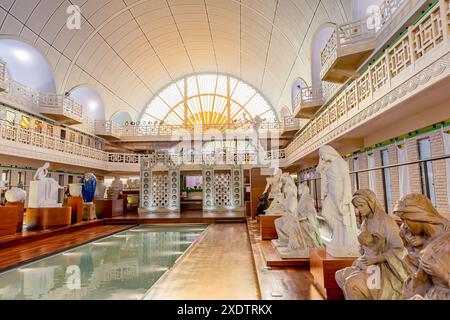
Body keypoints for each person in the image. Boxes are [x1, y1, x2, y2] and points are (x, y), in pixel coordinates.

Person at [335, 189, 410, 299]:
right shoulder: (366, 221)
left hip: (384, 270)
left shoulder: (386, 221)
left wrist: (377, 259)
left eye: (361, 205)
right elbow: (364, 248)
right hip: (368, 263)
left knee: (351, 282)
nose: (359, 210)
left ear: (371, 203)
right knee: (339, 275)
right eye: (357, 207)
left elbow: (400, 249)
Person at [317, 145, 359, 257]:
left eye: (322, 154)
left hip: (340, 195)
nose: (322, 157)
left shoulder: (340, 162)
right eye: (320, 156)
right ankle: (337, 238)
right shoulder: (329, 165)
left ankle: (346, 242)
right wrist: (321, 161)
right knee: (326, 214)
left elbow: (346, 180)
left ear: (329, 152)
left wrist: (346, 197)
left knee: (343, 219)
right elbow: (318, 169)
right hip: (332, 195)